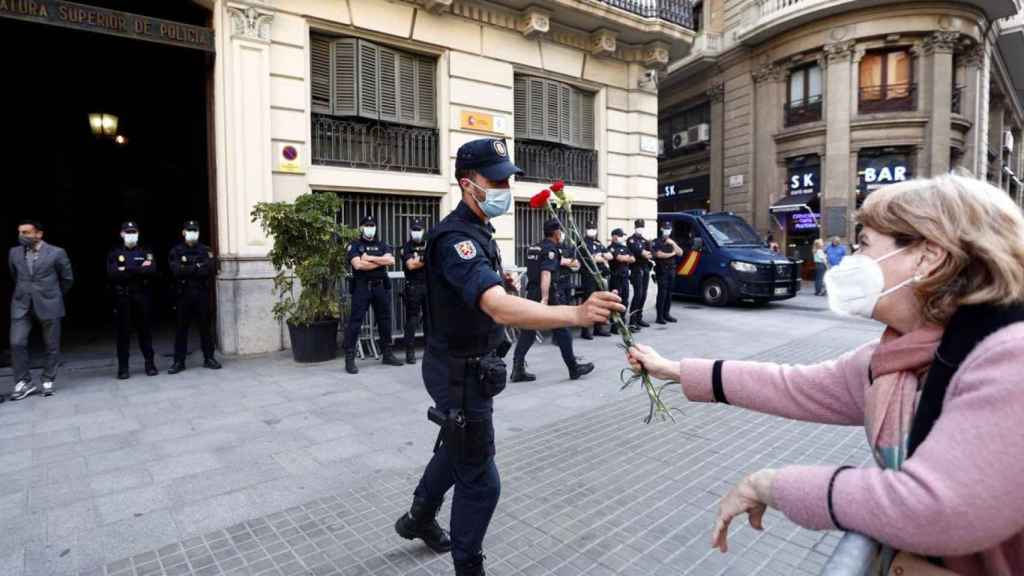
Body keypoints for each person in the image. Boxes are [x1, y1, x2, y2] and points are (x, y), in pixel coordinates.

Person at [627, 174, 1024, 575]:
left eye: (864, 245)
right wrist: (674, 371)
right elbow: (795, 385)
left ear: (928, 256)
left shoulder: (1010, 355)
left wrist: (771, 484)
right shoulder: (896, 355)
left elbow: (938, 509)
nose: (852, 259)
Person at [394, 138, 624, 576]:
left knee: (457, 446)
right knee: (481, 482)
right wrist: (574, 312)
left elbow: (485, 298)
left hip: (472, 370)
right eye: (495, 180)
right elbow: (496, 306)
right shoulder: (456, 238)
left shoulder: (479, 230)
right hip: (457, 372)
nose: (506, 187)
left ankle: (418, 518)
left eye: (508, 179)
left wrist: (506, 286)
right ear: (467, 184)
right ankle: (468, 566)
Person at [510, 218, 595, 383]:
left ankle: (517, 369)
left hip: (532, 292)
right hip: (547, 293)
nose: (561, 235)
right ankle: (573, 368)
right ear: (556, 233)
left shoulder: (534, 247)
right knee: (562, 329)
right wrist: (545, 298)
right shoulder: (551, 250)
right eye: (560, 232)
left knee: (528, 330)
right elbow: (546, 273)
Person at [7, 220, 73, 400]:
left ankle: (48, 378)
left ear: (39, 234)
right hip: (21, 304)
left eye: (26, 232)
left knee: (51, 345)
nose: (22, 236)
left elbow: (67, 279)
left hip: (49, 303)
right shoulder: (13, 253)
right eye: (20, 232)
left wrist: (54, 295)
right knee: (16, 342)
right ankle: (23, 382)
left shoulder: (56, 252)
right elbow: (15, 275)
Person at [342, 216, 403, 374]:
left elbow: (391, 261)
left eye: (372, 225)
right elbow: (358, 264)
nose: (370, 228)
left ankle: (387, 354)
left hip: (380, 287)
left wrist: (369, 258)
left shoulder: (382, 244)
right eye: (367, 225)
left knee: (385, 321)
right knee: (355, 322)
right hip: (362, 288)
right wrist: (380, 261)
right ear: (361, 228)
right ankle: (349, 358)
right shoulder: (355, 245)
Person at [167, 220, 221, 374]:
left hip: (201, 294)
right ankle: (179, 361)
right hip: (183, 295)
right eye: (189, 230)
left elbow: (209, 269)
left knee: (205, 327)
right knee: (181, 329)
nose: (192, 233)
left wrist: (188, 268)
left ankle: (209, 358)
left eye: (195, 230)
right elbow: (176, 271)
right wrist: (197, 266)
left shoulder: (206, 250)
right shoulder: (176, 251)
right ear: (183, 232)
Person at [107, 221, 158, 379]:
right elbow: (113, 274)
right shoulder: (115, 253)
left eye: (133, 232)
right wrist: (138, 269)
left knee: (145, 332)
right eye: (128, 232)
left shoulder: (145, 251)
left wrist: (126, 268)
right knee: (123, 334)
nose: (131, 235)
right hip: (123, 297)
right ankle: (123, 368)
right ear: (122, 234)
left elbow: (151, 270)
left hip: (141, 296)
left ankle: (150, 364)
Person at [578, 222, 612, 340]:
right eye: (590, 228)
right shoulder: (582, 243)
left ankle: (598, 328)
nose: (592, 230)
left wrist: (600, 257)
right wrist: (601, 258)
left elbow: (610, 256)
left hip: (599, 275)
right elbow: (591, 259)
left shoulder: (598, 242)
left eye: (593, 228)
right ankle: (586, 330)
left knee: (600, 302)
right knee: (589, 302)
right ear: (586, 229)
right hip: (589, 276)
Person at [401, 218, 428, 365]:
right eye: (414, 229)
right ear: (411, 231)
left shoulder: (428, 244)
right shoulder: (407, 247)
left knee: (430, 320)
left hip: (428, 286)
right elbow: (411, 265)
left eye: (419, 229)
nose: (416, 232)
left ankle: (430, 350)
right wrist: (426, 258)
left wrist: (420, 260)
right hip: (413, 287)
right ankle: (410, 352)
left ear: (423, 231)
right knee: (412, 320)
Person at [652, 221, 682, 324]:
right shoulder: (656, 242)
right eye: (665, 228)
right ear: (661, 229)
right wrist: (673, 253)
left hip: (671, 270)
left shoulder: (672, 241)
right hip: (662, 270)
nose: (667, 230)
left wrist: (673, 244)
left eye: (669, 228)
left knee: (669, 293)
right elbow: (659, 255)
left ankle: (667, 314)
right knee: (662, 293)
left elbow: (680, 252)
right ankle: (659, 316)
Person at [626, 219, 653, 331]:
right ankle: (632, 321)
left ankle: (639, 318)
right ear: (635, 227)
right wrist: (644, 253)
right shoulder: (631, 240)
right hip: (636, 270)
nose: (640, 228)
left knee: (643, 295)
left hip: (645, 269)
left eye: (642, 226)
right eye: (638, 226)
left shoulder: (645, 240)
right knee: (638, 294)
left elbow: (651, 253)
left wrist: (646, 253)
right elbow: (639, 251)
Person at [607, 228, 634, 335]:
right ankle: (614, 326)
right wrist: (626, 257)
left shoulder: (624, 247)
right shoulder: (611, 248)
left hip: (625, 277)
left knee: (625, 301)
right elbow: (619, 258)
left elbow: (633, 259)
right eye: (620, 235)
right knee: (615, 302)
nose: (622, 237)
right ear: (614, 236)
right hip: (616, 278)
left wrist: (626, 257)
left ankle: (622, 323)